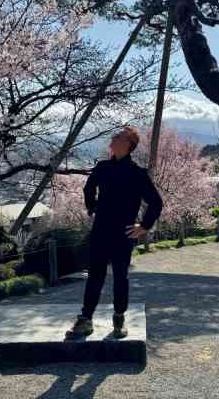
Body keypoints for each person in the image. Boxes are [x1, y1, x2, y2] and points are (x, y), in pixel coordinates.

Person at [65, 126, 163, 340]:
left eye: (118, 137)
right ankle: (86, 319)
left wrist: (144, 227)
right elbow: (88, 189)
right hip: (100, 230)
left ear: (128, 144)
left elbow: (156, 202)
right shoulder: (102, 167)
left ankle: (119, 319)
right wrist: (92, 208)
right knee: (95, 276)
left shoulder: (138, 174)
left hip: (124, 234)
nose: (113, 138)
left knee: (121, 277)